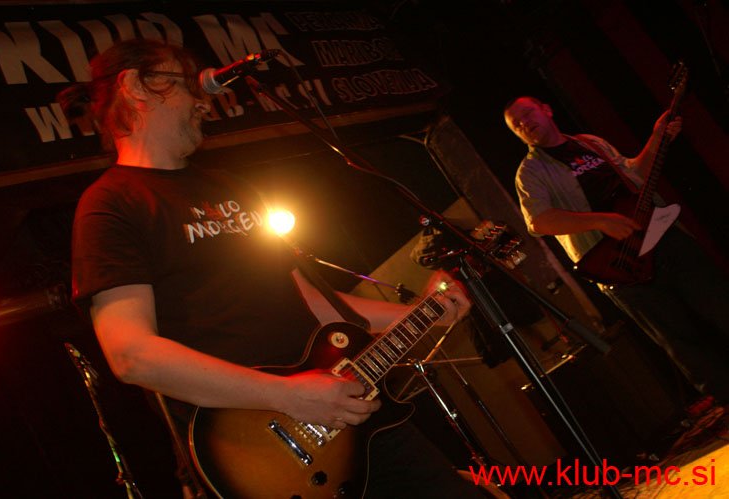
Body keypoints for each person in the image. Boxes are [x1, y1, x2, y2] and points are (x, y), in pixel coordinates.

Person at [61, 38, 480, 498]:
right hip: (261, 452)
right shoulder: (110, 205)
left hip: (349, 414)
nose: (203, 102)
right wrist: (286, 395)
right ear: (136, 86)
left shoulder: (232, 187)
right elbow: (132, 354)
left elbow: (314, 302)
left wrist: (426, 312)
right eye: (187, 86)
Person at [504, 96, 729, 404]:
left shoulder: (590, 142)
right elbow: (538, 221)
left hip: (660, 236)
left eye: (527, 113)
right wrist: (601, 221)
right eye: (516, 124)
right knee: (678, 338)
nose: (524, 123)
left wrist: (657, 138)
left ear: (547, 109)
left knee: (720, 301)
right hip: (619, 265)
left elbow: (635, 174)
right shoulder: (530, 172)